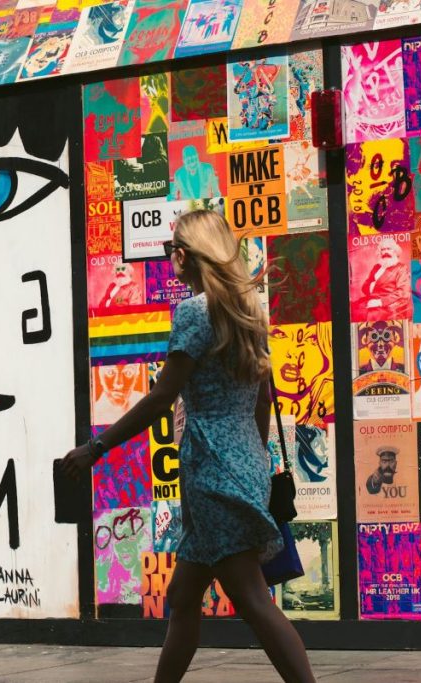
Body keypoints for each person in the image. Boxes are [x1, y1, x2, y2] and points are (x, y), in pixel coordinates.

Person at [62, 210, 315, 682]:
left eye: (172, 249)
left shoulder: (196, 312)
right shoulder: (247, 309)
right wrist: (252, 463)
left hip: (212, 468)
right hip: (241, 462)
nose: (170, 256)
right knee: (182, 598)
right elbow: (262, 398)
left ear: (187, 255)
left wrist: (96, 448)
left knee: (254, 602)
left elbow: (162, 397)